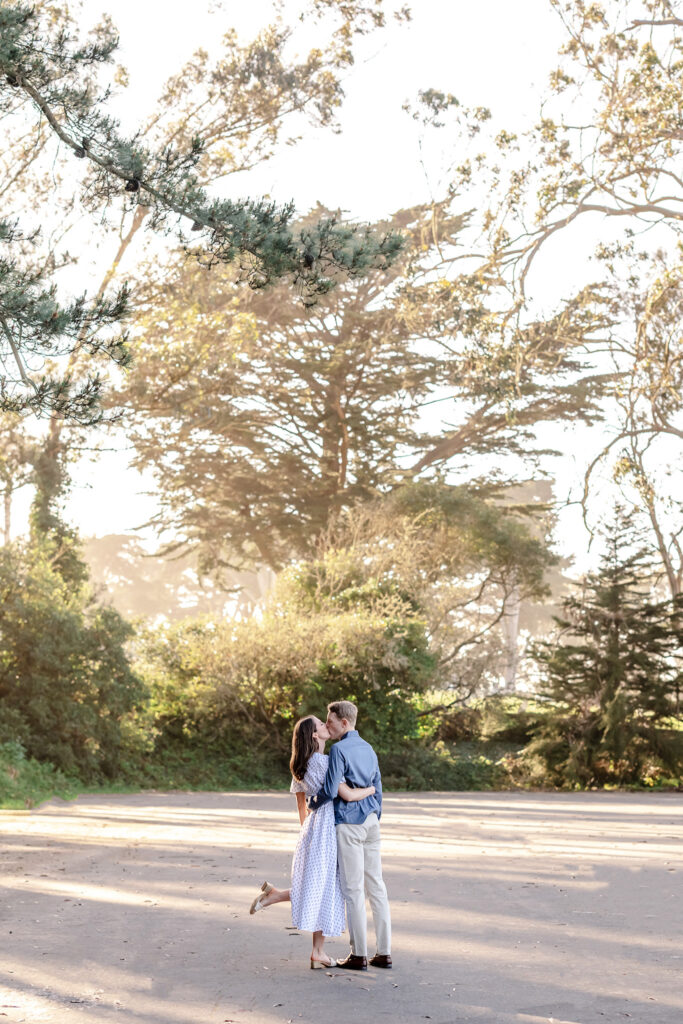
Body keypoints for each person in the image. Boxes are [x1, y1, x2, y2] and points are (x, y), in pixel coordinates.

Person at [248, 714, 375, 969]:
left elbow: (301, 806)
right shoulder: (326, 762)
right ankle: (316, 948)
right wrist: (372, 789)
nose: (326, 725)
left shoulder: (300, 766)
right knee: (327, 888)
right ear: (314, 735)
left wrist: (307, 835)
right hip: (327, 827)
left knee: (321, 886)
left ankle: (314, 946)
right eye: (321, 724)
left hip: (311, 827)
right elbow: (347, 794)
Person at [308, 700, 392, 971]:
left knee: (354, 890)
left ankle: (359, 955)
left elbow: (331, 789)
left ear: (344, 723)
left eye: (330, 721)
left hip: (349, 824)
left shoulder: (339, 750)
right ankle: (384, 953)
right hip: (371, 822)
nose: (327, 725)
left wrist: (312, 802)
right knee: (376, 886)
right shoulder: (368, 748)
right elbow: (378, 785)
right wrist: (375, 813)